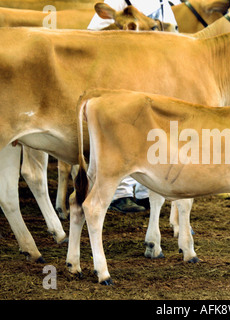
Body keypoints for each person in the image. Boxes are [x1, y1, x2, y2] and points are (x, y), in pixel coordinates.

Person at [87, 0, 180, 213]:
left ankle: (146, 190)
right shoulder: (119, 1)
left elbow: (175, 34)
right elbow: (92, 33)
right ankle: (120, 192)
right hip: (123, 71)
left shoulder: (163, 2)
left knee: (150, 132)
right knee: (125, 131)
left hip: (156, 71)